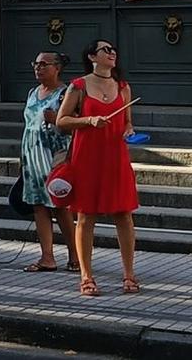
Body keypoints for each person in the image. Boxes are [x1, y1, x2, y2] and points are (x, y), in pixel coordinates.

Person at [55, 40, 140, 297]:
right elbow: (61, 120)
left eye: (114, 49)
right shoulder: (78, 86)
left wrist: (129, 132)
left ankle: (129, 274)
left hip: (115, 156)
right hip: (88, 156)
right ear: (93, 56)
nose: (112, 53)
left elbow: (127, 123)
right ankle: (86, 276)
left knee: (124, 214)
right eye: (106, 50)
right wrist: (89, 120)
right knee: (86, 215)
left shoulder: (123, 87)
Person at [21, 51, 77, 273]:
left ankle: (75, 255)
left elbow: (76, 124)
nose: (38, 68)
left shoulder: (65, 94)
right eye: (36, 63)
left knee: (60, 206)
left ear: (57, 68)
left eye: (44, 64)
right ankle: (47, 256)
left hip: (55, 156)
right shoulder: (33, 92)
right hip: (32, 156)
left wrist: (58, 120)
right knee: (39, 205)